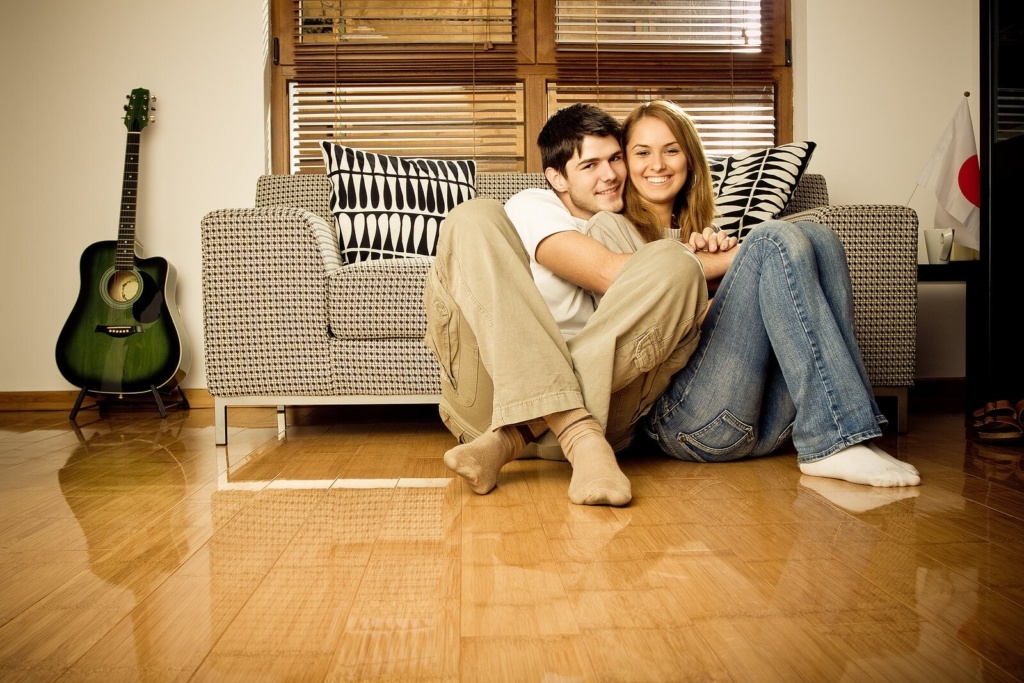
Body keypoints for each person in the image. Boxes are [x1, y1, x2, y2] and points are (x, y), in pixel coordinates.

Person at [618, 99, 920, 487]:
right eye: (642, 152)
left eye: (671, 150)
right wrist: (727, 274)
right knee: (770, 239)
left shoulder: (702, 233)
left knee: (819, 238)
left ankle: (850, 430)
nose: (657, 164)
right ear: (624, 162)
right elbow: (640, 341)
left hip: (762, 423)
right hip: (685, 426)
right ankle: (833, 440)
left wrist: (725, 275)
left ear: (690, 160)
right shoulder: (614, 230)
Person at [423, 103, 708, 506]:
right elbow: (608, 272)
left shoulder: (629, 232)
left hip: (603, 407)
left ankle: (516, 436)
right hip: (489, 407)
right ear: (556, 177)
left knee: (678, 266)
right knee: (472, 215)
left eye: (614, 159)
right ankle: (577, 432)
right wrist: (735, 255)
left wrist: (695, 256)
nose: (609, 174)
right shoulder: (533, 206)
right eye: (589, 165)